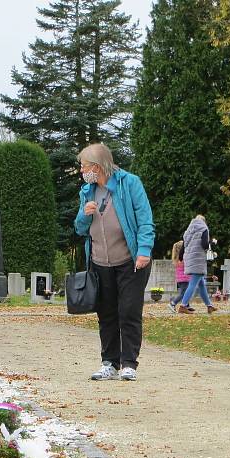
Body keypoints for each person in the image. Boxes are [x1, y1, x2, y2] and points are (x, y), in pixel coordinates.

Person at [74, 142, 155, 382]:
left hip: (130, 260)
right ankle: (109, 362)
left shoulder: (129, 183)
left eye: (84, 166)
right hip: (100, 262)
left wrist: (144, 250)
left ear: (97, 167)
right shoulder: (87, 191)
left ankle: (129, 363)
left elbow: (145, 220)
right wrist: (83, 215)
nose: (82, 171)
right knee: (106, 314)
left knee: (128, 311)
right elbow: (80, 229)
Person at [177, 215, 218, 314]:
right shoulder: (204, 229)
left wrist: (180, 257)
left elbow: (183, 246)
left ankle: (209, 306)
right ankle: (183, 306)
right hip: (198, 260)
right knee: (193, 284)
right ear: (204, 221)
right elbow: (204, 245)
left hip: (190, 259)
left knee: (201, 284)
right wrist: (212, 242)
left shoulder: (188, 231)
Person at [168, 240, 193, 313]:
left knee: (185, 292)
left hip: (181, 279)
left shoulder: (177, 258)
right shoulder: (182, 258)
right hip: (184, 279)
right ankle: (173, 303)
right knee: (183, 293)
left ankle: (186, 305)